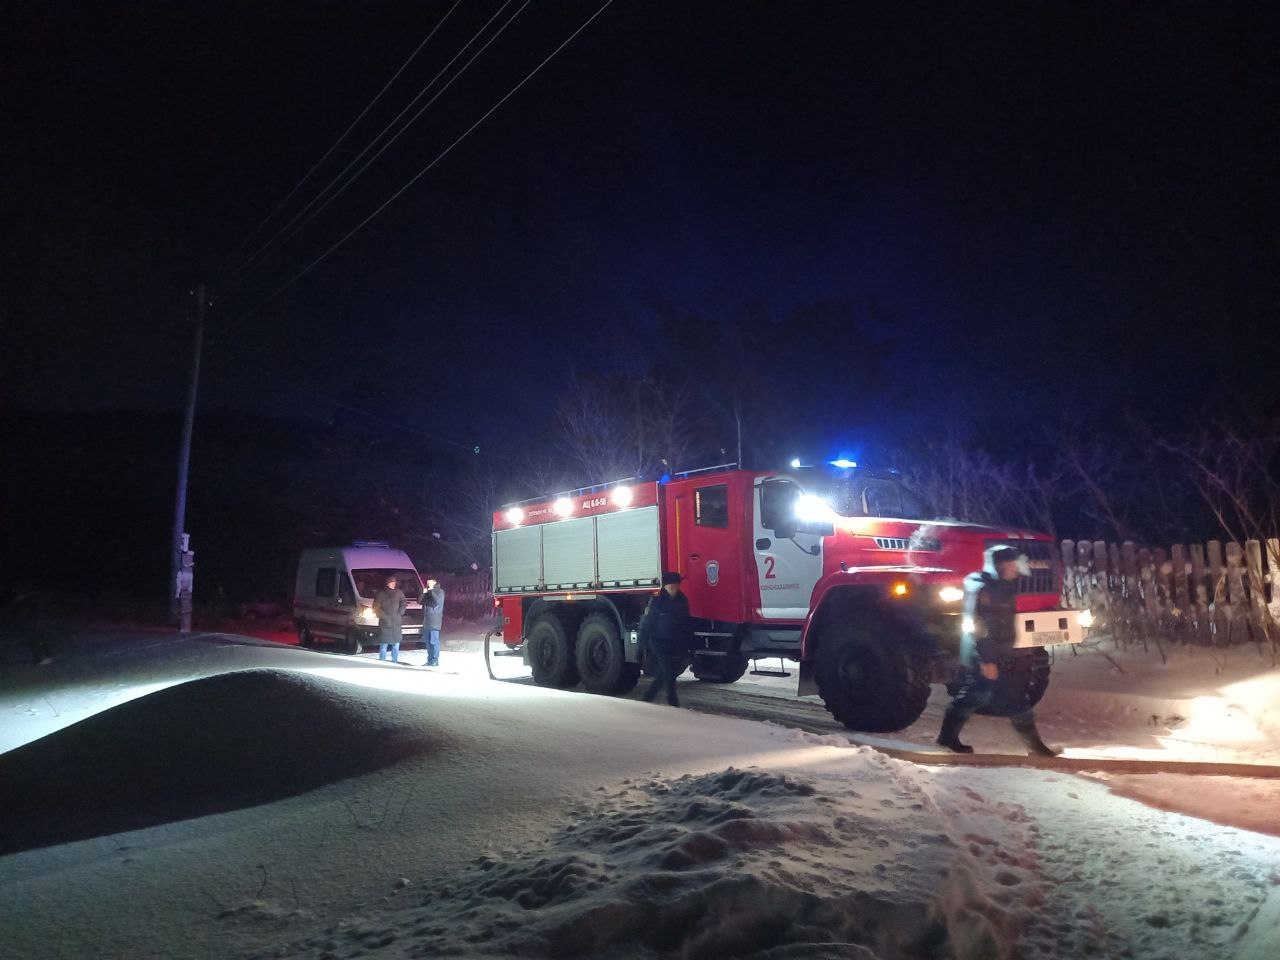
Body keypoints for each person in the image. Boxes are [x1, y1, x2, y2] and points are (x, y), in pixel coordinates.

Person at [937, 545, 1061, 756]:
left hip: (1002, 653)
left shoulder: (1001, 586)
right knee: (978, 696)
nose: (1017, 568)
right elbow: (980, 626)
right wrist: (987, 660)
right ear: (1001, 565)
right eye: (1013, 564)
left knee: (1009, 699)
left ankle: (1035, 747)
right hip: (986, 655)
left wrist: (1038, 564)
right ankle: (947, 738)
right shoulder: (985, 590)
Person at [639, 571, 692, 707]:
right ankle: (673, 703)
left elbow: (686, 624)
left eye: (676, 587)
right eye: (671, 588)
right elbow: (646, 624)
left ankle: (647, 699)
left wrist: (687, 643)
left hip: (673, 643)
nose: (674, 591)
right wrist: (641, 647)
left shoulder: (682, 601)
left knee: (666, 672)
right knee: (669, 673)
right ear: (665, 587)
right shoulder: (657, 601)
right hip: (658, 642)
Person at [373, 574, 406, 663]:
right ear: (387, 583)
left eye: (394, 582)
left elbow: (403, 602)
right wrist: (384, 617)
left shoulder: (398, 592)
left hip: (396, 621)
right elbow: (376, 607)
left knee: (396, 643)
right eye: (391, 582)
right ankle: (382, 660)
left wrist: (400, 613)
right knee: (384, 643)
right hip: (385, 622)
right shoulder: (381, 593)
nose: (393, 584)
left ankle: (394, 660)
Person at [421, 577, 444, 666]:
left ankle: (435, 660)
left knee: (434, 641)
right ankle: (430, 660)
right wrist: (423, 594)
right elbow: (420, 601)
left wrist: (431, 591)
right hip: (426, 620)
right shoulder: (428, 592)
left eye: (429, 582)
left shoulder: (440, 592)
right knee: (427, 641)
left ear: (434, 582)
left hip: (435, 620)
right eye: (427, 582)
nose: (428, 583)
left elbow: (437, 601)